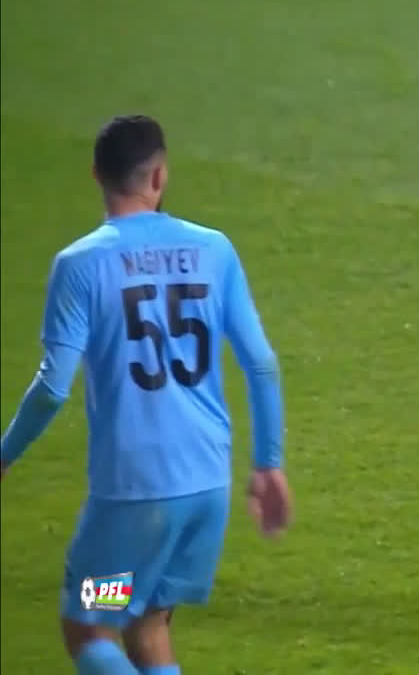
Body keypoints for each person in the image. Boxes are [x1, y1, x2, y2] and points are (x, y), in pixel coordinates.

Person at [0, 115, 293, 675]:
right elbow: (261, 363)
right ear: (159, 176)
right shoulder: (215, 250)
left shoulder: (81, 264)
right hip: (205, 491)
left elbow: (52, 388)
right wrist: (268, 464)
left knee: (88, 620)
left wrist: (4, 455)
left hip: (134, 500)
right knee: (148, 620)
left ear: (95, 175)